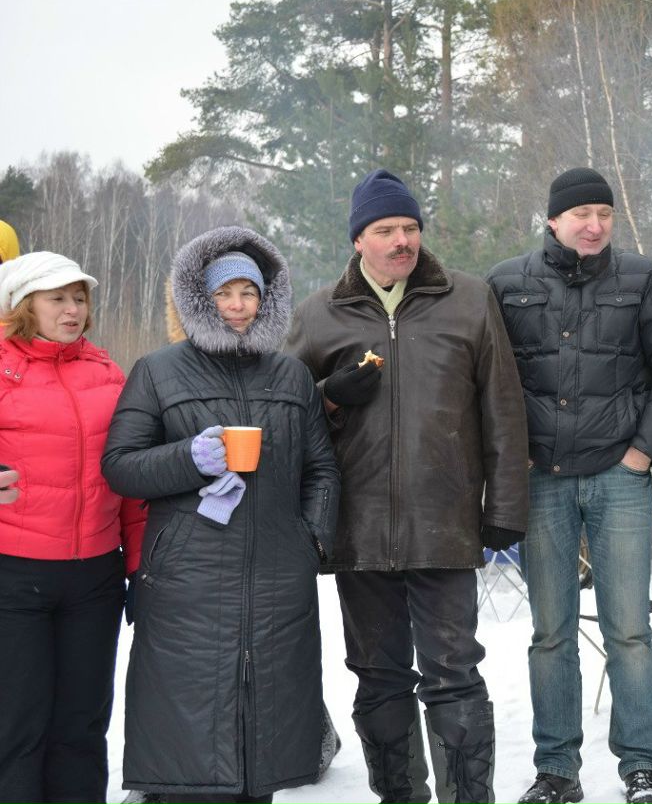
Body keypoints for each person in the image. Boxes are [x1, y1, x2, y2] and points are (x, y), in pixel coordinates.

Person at [286, 168, 529, 804]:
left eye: (411, 227)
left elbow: (503, 410)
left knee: (454, 672)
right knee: (378, 676)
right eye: (386, 229)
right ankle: (400, 796)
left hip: (444, 524)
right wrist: (328, 398)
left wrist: (504, 507)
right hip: (358, 531)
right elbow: (282, 420)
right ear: (358, 240)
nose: (403, 240)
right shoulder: (317, 317)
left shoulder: (469, 300)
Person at [488, 167, 652, 804]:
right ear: (553, 220)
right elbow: (485, 379)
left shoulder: (643, 279)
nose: (594, 225)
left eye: (604, 215)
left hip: (619, 476)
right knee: (551, 632)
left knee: (629, 631)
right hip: (542, 482)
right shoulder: (505, 284)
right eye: (581, 214)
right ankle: (557, 768)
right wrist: (508, 459)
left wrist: (645, 453)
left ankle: (641, 766)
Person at [102, 228, 340, 803]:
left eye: (249, 294)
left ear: (267, 300)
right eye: (224, 294)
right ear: (199, 299)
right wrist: (190, 458)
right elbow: (121, 466)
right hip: (188, 579)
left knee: (267, 741)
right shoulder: (158, 371)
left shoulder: (290, 375)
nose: (237, 306)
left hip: (278, 578)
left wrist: (309, 539)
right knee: (189, 745)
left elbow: (323, 470)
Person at [0, 252, 146, 804]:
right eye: (56, 298)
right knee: (18, 723)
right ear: (23, 306)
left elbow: (129, 477)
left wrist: (138, 568)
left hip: (94, 578)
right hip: (15, 576)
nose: (72, 310)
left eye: (79, 298)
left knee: (83, 725)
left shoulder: (108, 372)